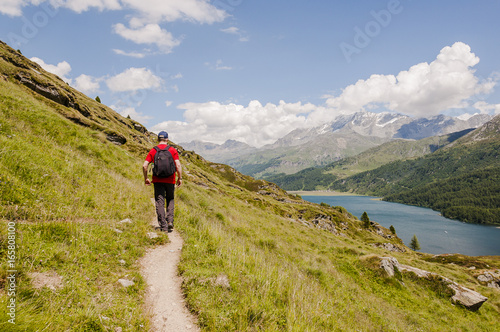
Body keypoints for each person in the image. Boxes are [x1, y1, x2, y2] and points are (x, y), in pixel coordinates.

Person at [143, 131, 182, 232]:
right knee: (170, 199)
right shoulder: (172, 150)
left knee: (159, 202)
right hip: (170, 180)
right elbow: (178, 165)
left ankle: (163, 226)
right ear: (167, 139)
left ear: (158, 140)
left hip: (157, 180)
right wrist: (180, 178)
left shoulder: (153, 150)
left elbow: (144, 165)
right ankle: (170, 222)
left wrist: (146, 178)